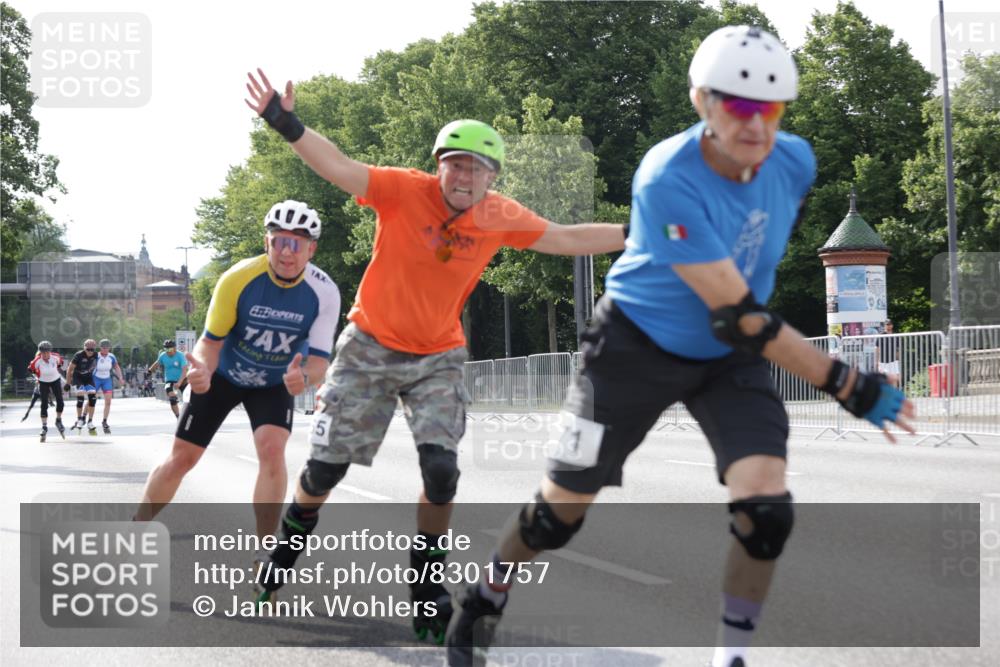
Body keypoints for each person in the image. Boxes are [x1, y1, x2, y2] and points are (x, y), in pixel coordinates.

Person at [444, 26, 916, 667]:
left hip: (725, 358)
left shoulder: (795, 162)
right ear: (702, 101)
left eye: (771, 108)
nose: (756, 124)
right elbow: (742, 316)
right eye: (738, 105)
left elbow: (751, 277)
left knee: (766, 511)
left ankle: (732, 657)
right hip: (633, 347)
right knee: (559, 514)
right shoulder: (666, 177)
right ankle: (487, 593)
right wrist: (848, 383)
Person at [243, 68, 627, 643]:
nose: (465, 177)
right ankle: (286, 547)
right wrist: (284, 121)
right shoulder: (403, 190)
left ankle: (427, 587)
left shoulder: (499, 215)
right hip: (370, 344)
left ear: (492, 177)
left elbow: (567, 238)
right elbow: (339, 166)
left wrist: (639, 232)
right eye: (456, 165)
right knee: (324, 471)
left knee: (442, 472)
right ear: (438, 165)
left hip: (439, 355)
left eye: (478, 168)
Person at [134, 200, 341, 562]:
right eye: (279, 241)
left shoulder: (325, 292)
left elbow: (321, 361)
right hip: (224, 375)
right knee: (182, 459)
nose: (287, 252)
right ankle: (137, 526)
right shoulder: (238, 278)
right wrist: (201, 371)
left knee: (272, 451)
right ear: (266, 243)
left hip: (274, 381)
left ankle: (265, 552)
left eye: (297, 244)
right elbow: (210, 342)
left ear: (312, 249)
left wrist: (305, 377)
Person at [27, 341, 66, 441]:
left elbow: (60, 365)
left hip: (55, 380)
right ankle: (44, 427)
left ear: (50, 351)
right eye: (43, 352)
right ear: (40, 352)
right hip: (43, 382)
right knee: (44, 403)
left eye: (47, 352)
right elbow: (31, 370)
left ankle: (58, 420)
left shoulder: (56, 357)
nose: (45, 354)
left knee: (60, 401)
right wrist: (37, 377)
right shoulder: (37, 361)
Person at [64, 339, 100, 435]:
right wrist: (67, 383)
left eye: (92, 350)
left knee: (93, 398)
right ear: (84, 348)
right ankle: (79, 419)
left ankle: (90, 421)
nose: (90, 352)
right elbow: (69, 369)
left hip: (88, 377)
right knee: (80, 396)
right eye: (88, 349)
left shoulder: (96, 355)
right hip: (78, 377)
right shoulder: (78, 355)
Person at [147, 340, 188, 418]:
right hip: (170, 380)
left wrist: (179, 382)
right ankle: (178, 417)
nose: (168, 351)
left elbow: (184, 371)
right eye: (166, 349)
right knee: (172, 399)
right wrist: (149, 371)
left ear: (175, 348)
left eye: (170, 349)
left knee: (189, 399)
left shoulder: (180, 356)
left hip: (182, 379)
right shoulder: (163, 355)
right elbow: (157, 363)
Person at [93, 339, 125, 433]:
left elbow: (116, 367)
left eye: (107, 348)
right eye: (103, 348)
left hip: (106, 379)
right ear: (100, 348)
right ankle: (84, 416)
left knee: (108, 402)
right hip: (96, 378)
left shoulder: (111, 356)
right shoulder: (96, 356)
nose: (105, 349)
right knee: (92, 400)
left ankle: (104, 421)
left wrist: (120, 378)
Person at [877, 319, 901, 387]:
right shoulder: (881, 335)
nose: (888, 326)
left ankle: (894, 392)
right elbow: (877, 348)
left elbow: (897, 349)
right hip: (882, 361)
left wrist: (898, 360)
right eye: (887, 324)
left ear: (892, 325)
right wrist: (877, 361)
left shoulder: (895, 336)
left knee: (895, 378)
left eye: (889, 324)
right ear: (884, 326)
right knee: (882, 379)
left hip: (893, 361)